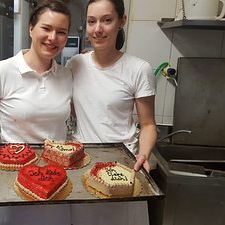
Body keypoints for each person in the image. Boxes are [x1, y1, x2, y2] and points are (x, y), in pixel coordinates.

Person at [0, 1, 73, 224]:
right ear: (31, 28)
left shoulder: (67, 75)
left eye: (61, 32)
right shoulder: (2, 71)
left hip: (55, 176)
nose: (53, 37)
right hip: (11, 173)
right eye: (46, 28)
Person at [66, 0, 157, 224]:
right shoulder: (75, 64)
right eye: (91, 21)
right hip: (83, 167)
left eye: (107, 20)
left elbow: (147, 124)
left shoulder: (138, 69)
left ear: (121, 21)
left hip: (123, 168)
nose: (98, 29)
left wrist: (143, 154)